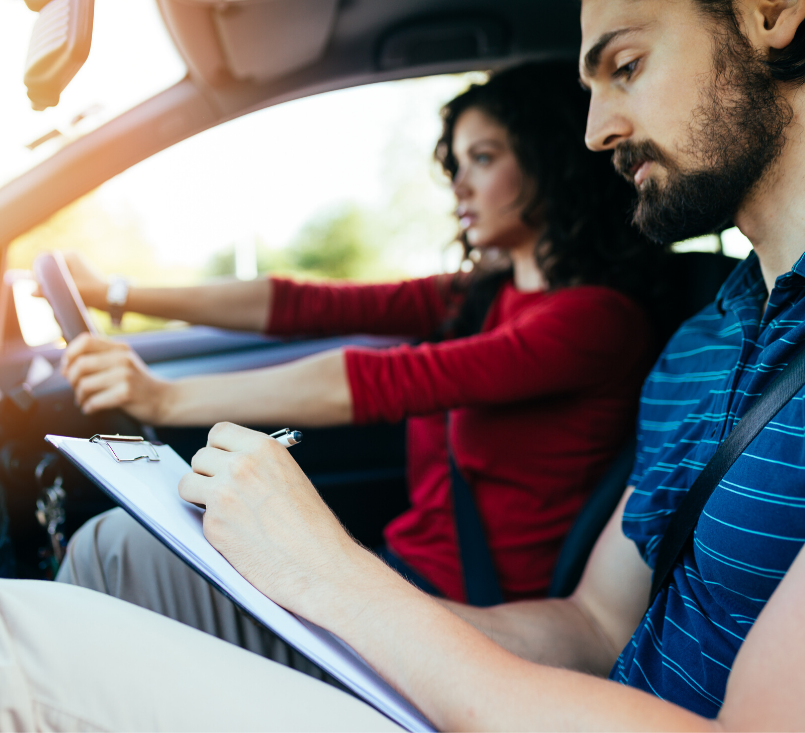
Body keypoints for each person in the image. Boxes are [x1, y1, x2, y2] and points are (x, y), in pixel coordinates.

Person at [0, 0, 805, 729]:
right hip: (534, 689)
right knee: (110, 556)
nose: (598, 126)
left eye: (625, 65)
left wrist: (334, 579)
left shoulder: (634, 324)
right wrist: (125, 296)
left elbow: (383, 379)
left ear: (770, 11)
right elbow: (595, 622)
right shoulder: (704, 339)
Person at [55, 60, 659, 603]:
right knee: (118, 546)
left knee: (113, 548)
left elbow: (382, 381)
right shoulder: (484, 293)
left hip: (452, 619)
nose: (460, 186)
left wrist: (162, 396)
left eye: (483, 157)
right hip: (394, 577)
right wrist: (120, 294)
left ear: (549, 159)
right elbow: (305, 306)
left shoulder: (593, 320)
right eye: (456, 162)